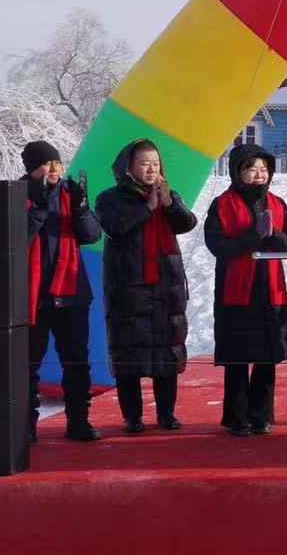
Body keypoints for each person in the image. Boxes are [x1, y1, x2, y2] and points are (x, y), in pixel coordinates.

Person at [93, 139, 196, 434]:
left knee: (167, 350)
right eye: (144, 163)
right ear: (129, 168)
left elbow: (187, 222)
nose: (151, 168)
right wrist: (147, 208)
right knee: (129, 353)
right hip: (128, 286)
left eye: (155, 162)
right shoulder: (109, 198)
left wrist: (168, 204)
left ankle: (166, 414)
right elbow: (115, 227)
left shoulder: (168, 195)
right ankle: (133, 417)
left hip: (166, 285)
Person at [205, 142, 287, 436]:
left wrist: (273, 235)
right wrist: (252, 236)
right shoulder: (221, 204)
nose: (258, 174)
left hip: (270, 291)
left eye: (263, 169)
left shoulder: (279, 204)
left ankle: (262, 415)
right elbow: (218, 246)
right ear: (237, 171)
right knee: (237, 358)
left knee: (267, 358)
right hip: (235, 291)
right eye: (251, 169)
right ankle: (237, 418)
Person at [20, 141, 102, 443]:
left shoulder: (70, 192)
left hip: (72, 292)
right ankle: (25, 425)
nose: (54, 168)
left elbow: (92, 235)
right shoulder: (18, 195)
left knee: (77, 360)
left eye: (57, 161)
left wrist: (81, 208)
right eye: (46, 163)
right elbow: (16, 240)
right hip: (33, 296)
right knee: (27, 363)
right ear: (31, 169)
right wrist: (39, 209)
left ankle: (78, 420)